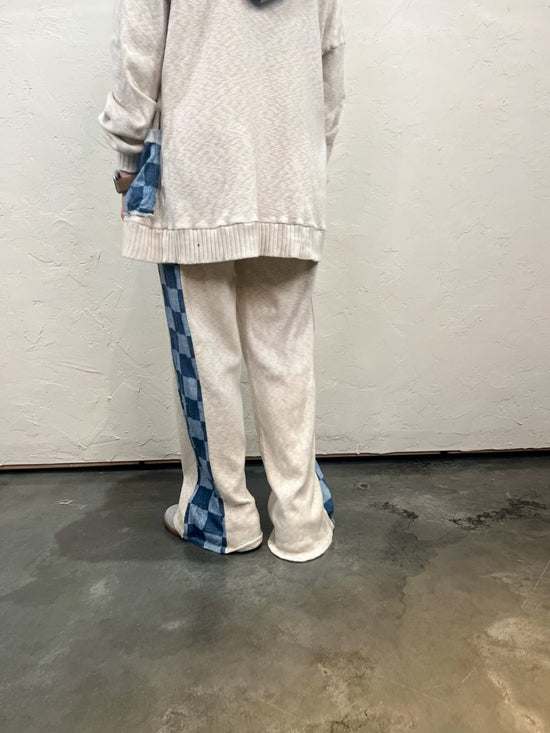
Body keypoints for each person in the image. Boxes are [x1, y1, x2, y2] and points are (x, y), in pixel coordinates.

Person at [98, 0, 346, 562]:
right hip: (291, 174)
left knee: (206, 355)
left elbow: (138, 47)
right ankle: (302, 520)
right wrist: (308, 162)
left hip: (197, 176)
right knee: (287, 355)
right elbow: (330, 61)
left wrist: (127, 154)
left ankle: (224, 516)